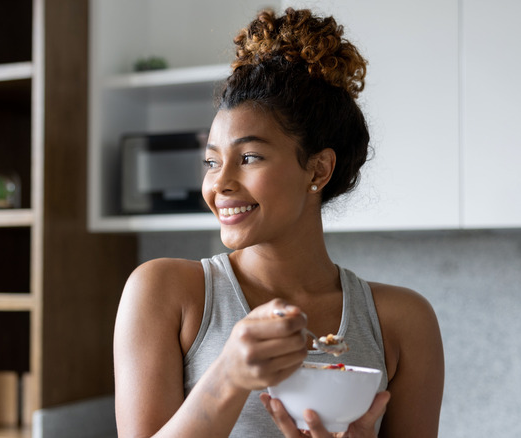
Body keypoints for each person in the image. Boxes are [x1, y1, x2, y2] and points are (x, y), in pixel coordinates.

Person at [113, 7, 444, 437]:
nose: (220, 184)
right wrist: (228, 375)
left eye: (249, 157)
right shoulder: (166, 292)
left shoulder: (403, 322)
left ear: (318, 170)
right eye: (212, 161)